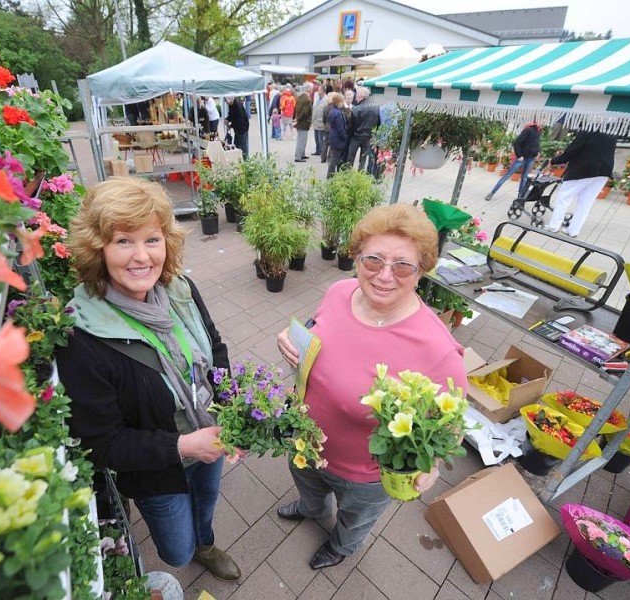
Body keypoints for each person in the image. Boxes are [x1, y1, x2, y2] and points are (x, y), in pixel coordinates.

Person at [56, 177, 241, 581]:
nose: (142, 257)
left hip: (209, 437)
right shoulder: (82, 337)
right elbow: (101, 442)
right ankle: (188, 546)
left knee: (206, 503)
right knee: (176, 551)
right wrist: (183, 444)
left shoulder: (180, 290)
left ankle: (206, 545)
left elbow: (215, 350)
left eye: (152, 240)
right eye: (123, 241)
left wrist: (233, 407)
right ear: (98, 249)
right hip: (157, 467)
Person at [275, 203, 468, 570]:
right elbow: (318, 334)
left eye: (402, 266)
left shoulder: (438, 352)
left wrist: (434, 463)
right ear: (357, 258)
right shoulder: (339, 292)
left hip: (363, 475)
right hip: (304, 440)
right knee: (308, 488)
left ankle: (341, 547)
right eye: (373, 260)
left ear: (421, 271)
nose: (384, 276)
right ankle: (311, 508)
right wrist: (291, 341)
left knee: (354, 519)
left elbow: (453, 426)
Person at [545, 129, 617, 238]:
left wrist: (554, 161)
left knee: (564, 197)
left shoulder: (589, 130)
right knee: (585, 203)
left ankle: (553, 226)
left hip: (583, 169)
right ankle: (573, 231)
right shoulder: (612, 132)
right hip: (604, 171)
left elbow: (572, 151)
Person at [485, 121, 541, 201]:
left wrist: (538, 152)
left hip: (531, 158)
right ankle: (492, 193)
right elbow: (517, 143)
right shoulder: (528, 130)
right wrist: (519, 155)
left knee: (524, 178)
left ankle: (520, 197)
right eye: (543, 119)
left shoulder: (538, 132)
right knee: (507, 175)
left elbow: (536, 144)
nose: (544, 121)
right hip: (522, 158)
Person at [347, 86, 381, 171]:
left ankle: (348, 173)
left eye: (357, 94)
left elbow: (351, 125)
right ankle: (360, 174)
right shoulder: (376, 108)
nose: (356, 96)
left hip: (356, 137)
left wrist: (350, 135)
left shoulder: (356, 109)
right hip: (368, 137)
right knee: (363, 159)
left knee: (350, 158)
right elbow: (378, 123)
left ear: (361, 96)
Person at [326, 92, 349, 178]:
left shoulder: (333, 110)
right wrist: (345, 137)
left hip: (333, 138)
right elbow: (340, 128)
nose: (343, 103)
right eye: (342, 101)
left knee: (333, 158)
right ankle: (330, 177)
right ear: (339, 102)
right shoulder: (338, 113)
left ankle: (330, 176)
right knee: (334, 160)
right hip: (338, 139)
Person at [224, 95, 249, 159]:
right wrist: (227, 119)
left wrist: (231, 125)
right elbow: (231, 115)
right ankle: (238, 158)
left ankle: (245, 160)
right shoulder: (231, 104)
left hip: (242, 128)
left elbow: (239, 119)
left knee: (243, 147)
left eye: (228, 102)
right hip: (237, 128)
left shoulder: (238, 105)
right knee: (236, 145)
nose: (227, 103)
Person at [294, 82, 313, 162]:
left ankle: (302, 154)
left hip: (300, 122)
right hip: (304, 122)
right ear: (310, 89)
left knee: (301, 139)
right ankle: (298, 156)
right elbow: (305, 112)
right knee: (302, 140)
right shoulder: (307, 99)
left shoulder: (300, 97)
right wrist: (298, 119)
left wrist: (296, 118)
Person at [311, 83, 328, 156]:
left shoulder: (326, 99)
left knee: (321, 138)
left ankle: (322, 152)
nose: (318, 91)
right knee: (316, 138)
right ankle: (317, 150)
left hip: (321, 122)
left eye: (319, 90)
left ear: (323, 91)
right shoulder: (317, 98)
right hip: (315, 121)